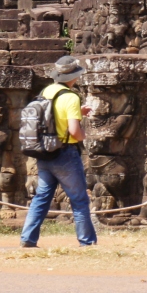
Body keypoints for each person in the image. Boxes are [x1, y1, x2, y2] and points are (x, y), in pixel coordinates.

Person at [21, 56, 98, 248]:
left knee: (42, 196)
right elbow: (74, 131)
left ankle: (28, 238)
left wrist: (78, 112)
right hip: (65, 153)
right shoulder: (71, 97)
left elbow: (52, 115)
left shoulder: (47, 91)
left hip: (45, 151)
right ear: (74, 76)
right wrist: (84, 135)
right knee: (79, 199)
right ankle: (87, 241)